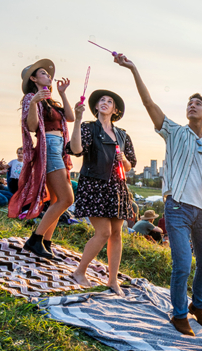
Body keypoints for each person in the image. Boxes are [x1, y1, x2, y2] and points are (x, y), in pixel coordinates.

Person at [115, 53, 202, 337]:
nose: (192, 106)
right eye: (189, 103)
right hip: (177, 207)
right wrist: (133, 69)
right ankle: (179, 314)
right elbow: (149, 104)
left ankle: (197, 305)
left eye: (198, 103)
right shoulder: (174, 132)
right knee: (182, 263)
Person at [67, 90, 136, 295]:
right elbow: (76, 149)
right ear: (96, 107)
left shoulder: (123, 135)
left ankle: (113, 280)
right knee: (103, 232)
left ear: (115, 110)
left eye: (110, 101)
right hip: (95, 185)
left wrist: (124, 160)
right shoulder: (88, 127)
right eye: (101, 101)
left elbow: (130, 165)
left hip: (117, 187)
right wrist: (78, 119)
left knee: (116, 234)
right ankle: (79, 271)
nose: (105, 102)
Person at [9, 59, 75, 260]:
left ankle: (46, 243)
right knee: (67, 199)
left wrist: (63, 94)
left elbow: (70, 118)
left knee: (56, 200)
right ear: (33, 78)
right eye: (44, 73)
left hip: (59, 147)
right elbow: (31, 126)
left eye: (49, 74)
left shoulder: (52, 102)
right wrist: (35, 101)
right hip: (49, 148)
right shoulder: (32, 97)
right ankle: (35, 240)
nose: (49, 76)